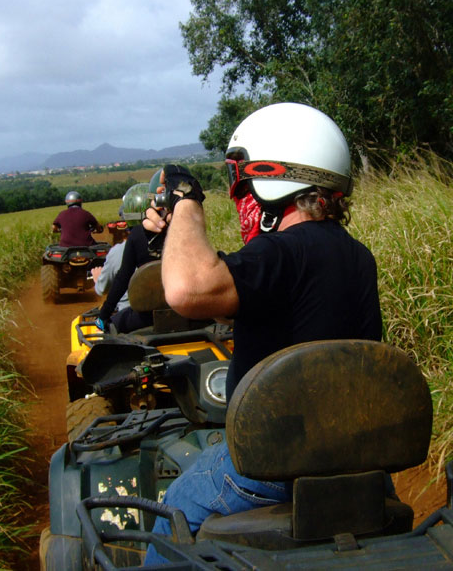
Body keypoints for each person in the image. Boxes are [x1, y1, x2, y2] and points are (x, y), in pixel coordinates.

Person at [142, 102, 382, 565]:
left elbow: (185, 290)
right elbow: (282, 309)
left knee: (171, 512)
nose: (240, 199)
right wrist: (175, 242)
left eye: (242, 182)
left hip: (275, 466)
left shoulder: (281, 253)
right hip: (357, 461)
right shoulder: (355, 256)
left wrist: (185, 203)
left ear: (276, 180)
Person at [94, 177, 167, 334]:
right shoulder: (174, 229)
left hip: (145, 316)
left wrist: (104, 315)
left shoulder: (136, 237)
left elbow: (123, 278)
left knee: (110, 327)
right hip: (182, 309)